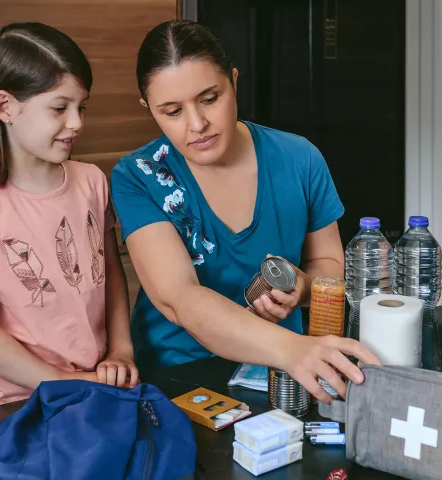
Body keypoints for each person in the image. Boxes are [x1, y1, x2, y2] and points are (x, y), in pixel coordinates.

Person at [111, 20, 379, 403]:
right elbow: (180, 298)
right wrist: (292, 349)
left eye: (209, 98)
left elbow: (328, 260)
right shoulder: (139, 176)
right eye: (172, 111)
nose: (197, 124)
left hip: (282, 373)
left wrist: (303, 287)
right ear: (149, 109)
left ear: (233, 81)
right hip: (180, 374)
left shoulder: (299, 158)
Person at [0, 22, 138, 456]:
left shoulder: (92, 180)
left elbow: (112, 273)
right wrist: (65, 382)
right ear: (5, 106)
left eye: (82, 107)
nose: (76, 123)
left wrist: (121, 351)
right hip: (15, 404)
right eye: (59, 108)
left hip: (95, 387)